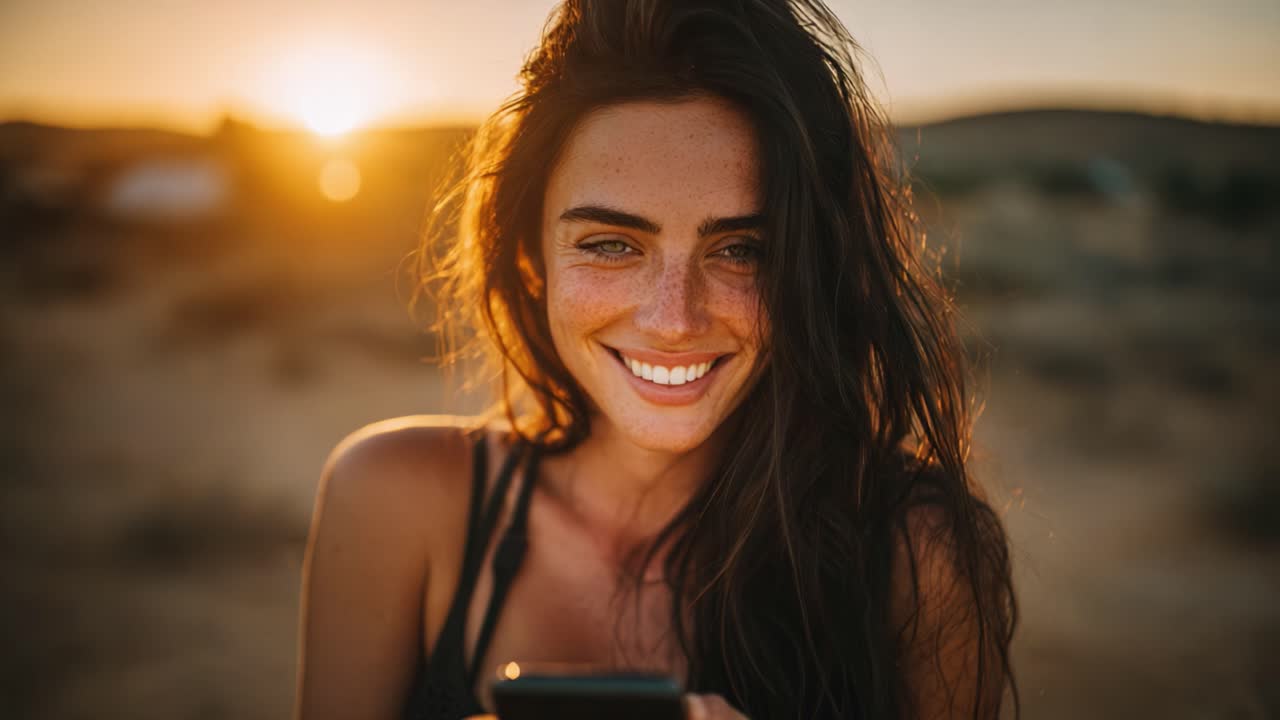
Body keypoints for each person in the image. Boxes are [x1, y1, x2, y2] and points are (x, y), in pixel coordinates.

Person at [295, 0, 1018, 718]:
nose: (674, 318)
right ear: (531, 256)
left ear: (809, 271)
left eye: (742, 250)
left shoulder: (916, 553)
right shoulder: (395, 501)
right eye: (612, 244)